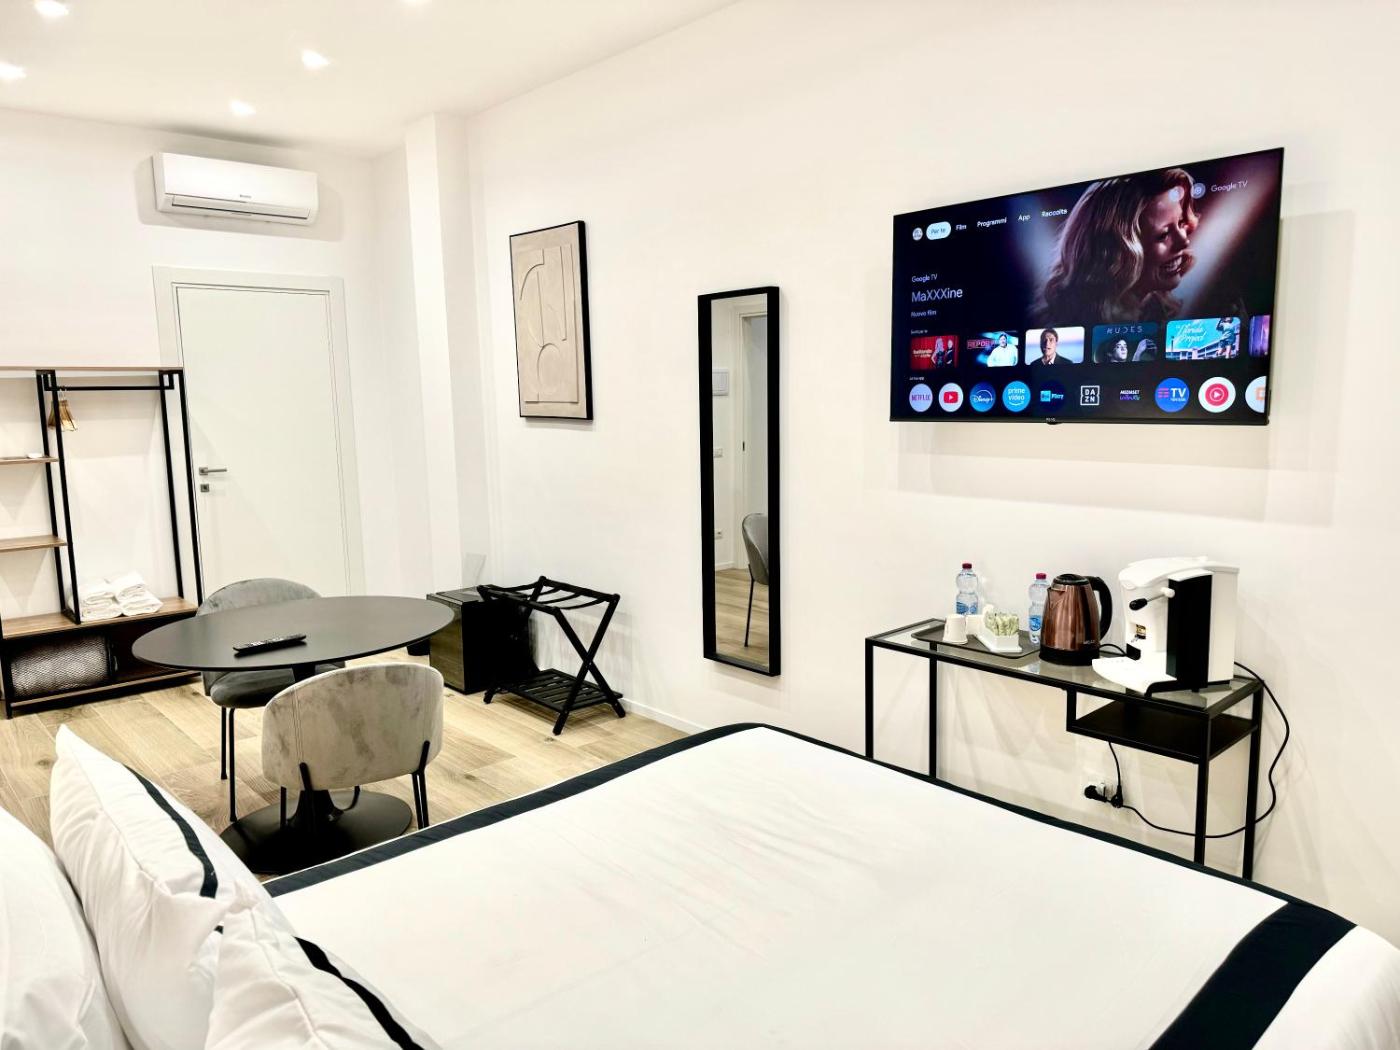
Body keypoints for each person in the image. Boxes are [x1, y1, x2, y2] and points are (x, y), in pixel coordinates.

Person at [1036, 167, 1199, 325]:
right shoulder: (1067, 326)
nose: (1184, 241)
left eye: (1181, 223)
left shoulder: (1157, 310)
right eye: (1163, 235)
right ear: (1113, 251)